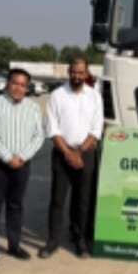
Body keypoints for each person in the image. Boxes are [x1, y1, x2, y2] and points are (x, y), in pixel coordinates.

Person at [43, 57, 103, 259]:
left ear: (87, 73)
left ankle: (80, 241)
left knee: (83, 200)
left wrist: (79, 152)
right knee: (57, 200)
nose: (77, 76)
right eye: (74, 72)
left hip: (86, 153)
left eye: (81, 72)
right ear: (68, 72)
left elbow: (96, 129)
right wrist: (68, 153)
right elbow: (52, 129)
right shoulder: (57, 95)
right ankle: (52, 241)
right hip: (62, 153)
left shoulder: (94, 96)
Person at [0, 68, 45, 264]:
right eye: (15, 83)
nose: (18, 88)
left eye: (22, 85)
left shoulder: (33, 107)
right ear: (7, 84)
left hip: (22, 164)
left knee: (15, 205)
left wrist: (22, 157)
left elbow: (39, 136)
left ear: (27, 88)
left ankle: (14, 244)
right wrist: (8, 157)